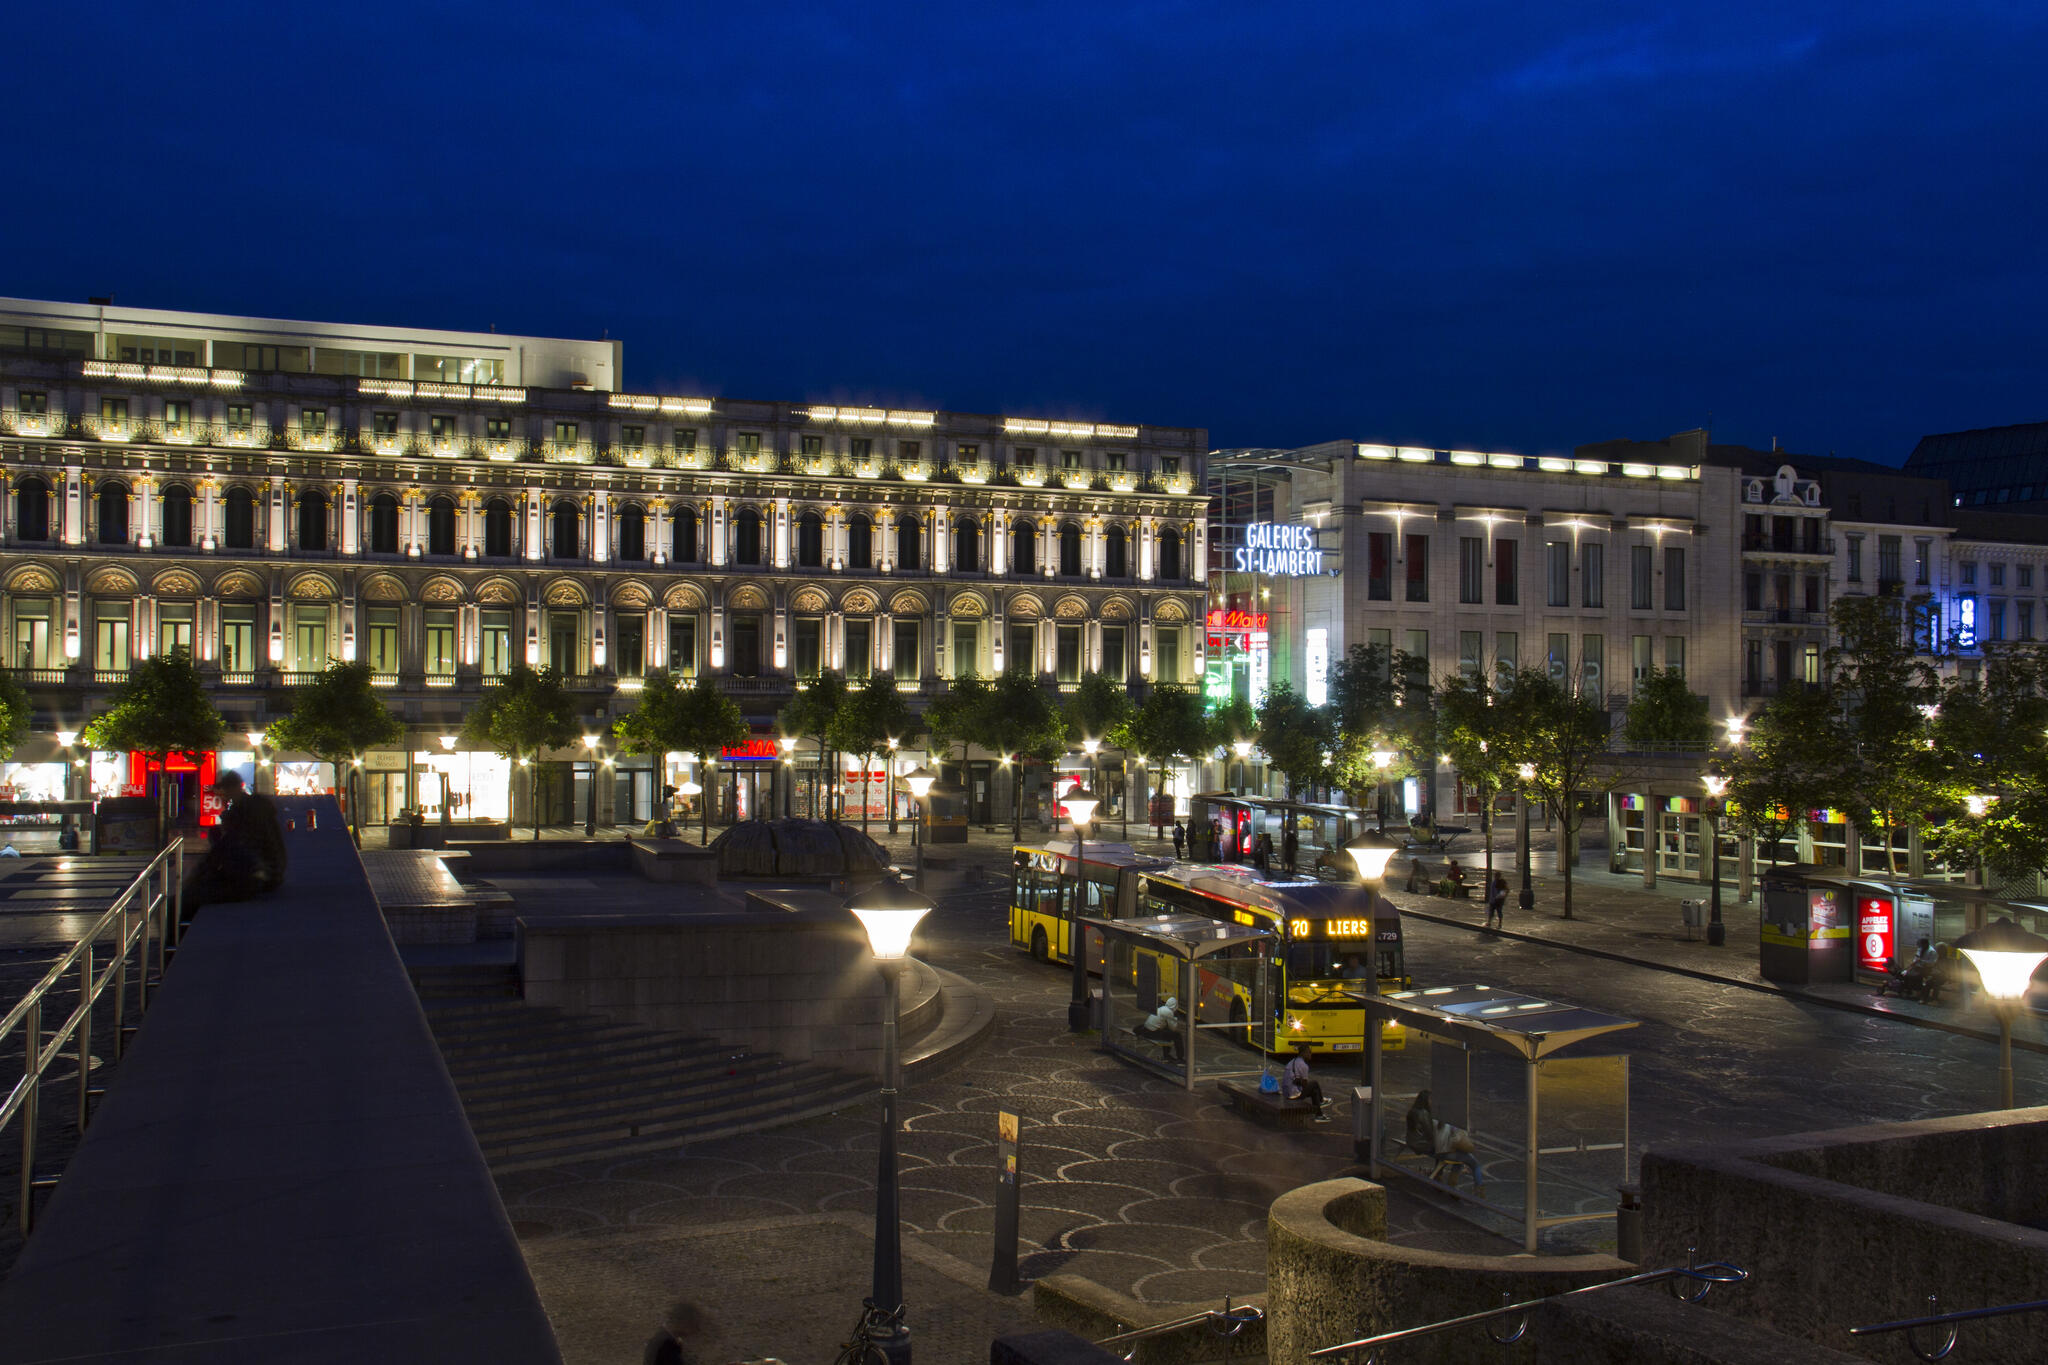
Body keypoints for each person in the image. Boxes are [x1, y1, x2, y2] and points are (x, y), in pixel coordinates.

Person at [182, 772, 287, 919]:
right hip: (265, 873)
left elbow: (228, 848)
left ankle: (176, 936)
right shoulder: (254, 807)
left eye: (225, 791)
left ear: (233, 789)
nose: (222, 795)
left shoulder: (242, 814)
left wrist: (200, 873)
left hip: (254, 878)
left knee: (185, 900)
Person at [1404, 1090, 1483, 1188]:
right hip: (1424, 1146)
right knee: (1470, 1160)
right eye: (1431, 1099)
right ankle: (1457, 1185)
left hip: (1416, 1143)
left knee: (1446, 1151)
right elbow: (1430, 1135)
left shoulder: (1414, 1111)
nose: (1432, 1102)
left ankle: (1440, 1177)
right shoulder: (1425, 1115)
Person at [643, 1298, 710, 1365]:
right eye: (694, 1324)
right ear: (683, 1322)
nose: (697, 1330)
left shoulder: (663, 1340)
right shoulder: (665, 1344)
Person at [1283, 1042, 1328, 1121]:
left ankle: (1319, 1115)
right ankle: (1321, 1101)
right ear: (1303, 1053)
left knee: (1314, 1091)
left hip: (1286, 1092)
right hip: (1293, 1095)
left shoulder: (1293, 1061)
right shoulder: (1303, 1066)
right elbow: (1305, 1085)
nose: (1311, 1054)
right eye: (1309, 1052)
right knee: (1314, 1083)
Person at [1137, 996, 1185, 1061]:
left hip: (1145, 1030)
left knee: (1167, 1033)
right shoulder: (1169, 1012)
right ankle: (1180, 1058)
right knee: (1177, 1035)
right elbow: (1173, 1028)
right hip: (1151, 1033)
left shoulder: (1162, 1008)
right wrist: (1175, 1018)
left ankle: (1166, 1055)